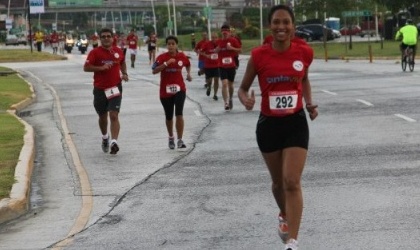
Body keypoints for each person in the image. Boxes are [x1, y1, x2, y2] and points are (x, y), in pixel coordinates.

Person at [238, 5, 318, 250]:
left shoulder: (304, 52)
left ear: (293, 26)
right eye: (276, 22)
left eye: (286, 22)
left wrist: (309, 102)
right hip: (268, 125)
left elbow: (303, 78)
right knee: (277, 184)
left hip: (295, 122)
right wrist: (245, 99)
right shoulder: (259, 56)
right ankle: (284, 213)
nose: (281, 27)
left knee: (292, 181)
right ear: (270, 26)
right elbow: (242, 88)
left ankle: (292, 242)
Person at [83, 27, 129, 155]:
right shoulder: (95, 53)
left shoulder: (118, 51)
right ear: (100, 39)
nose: (106, 38)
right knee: (102, 117)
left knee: (114, 115)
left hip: (115, 87)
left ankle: (114, 142)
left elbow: (122, 62)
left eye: (108, 36)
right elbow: (86, 67)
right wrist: (101, 67)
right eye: (103, 36)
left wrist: (124, 73)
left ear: (112, 38)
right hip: (100, 89)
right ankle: (105, 137)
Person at [152, 35, 192, 150]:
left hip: (180, 90)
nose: (170, 46)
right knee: (169, 116)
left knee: (179, 113)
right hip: (165, 92)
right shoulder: (161, 57)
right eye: (168, 44)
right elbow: (154, 70)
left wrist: (188, 74)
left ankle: (180, 139)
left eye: (173, 44)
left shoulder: (181, 56)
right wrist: (166, 64)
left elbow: (188, 64)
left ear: (176, 45)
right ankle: (171, 137)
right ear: (166, 45)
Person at [217, 24, 241, 111]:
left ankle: (230, 98)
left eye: (226, 32)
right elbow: (214, 51)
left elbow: (239, 50)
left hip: (231, 65)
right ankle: (226, 102)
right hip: (221, 65)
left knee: (230, 85)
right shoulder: (218, 41)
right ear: (221, 33)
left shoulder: (233, 40)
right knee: (224, 84)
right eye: (223, 32)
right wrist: (217, 49)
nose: (225, 34)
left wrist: (231, 48)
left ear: (229, 33)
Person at [200, 32, 220, 100]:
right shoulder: (207, 44)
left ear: (218, 38)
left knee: (216, 80)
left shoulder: (219, 44)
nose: (214, 39)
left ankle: (215, 94)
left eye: (216, 37)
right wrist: (207, 55)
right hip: (208, 65)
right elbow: (201, 52)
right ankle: (209, 87)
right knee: (209, 81)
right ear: (211, 38)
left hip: (217, 65)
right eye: (213, 37)